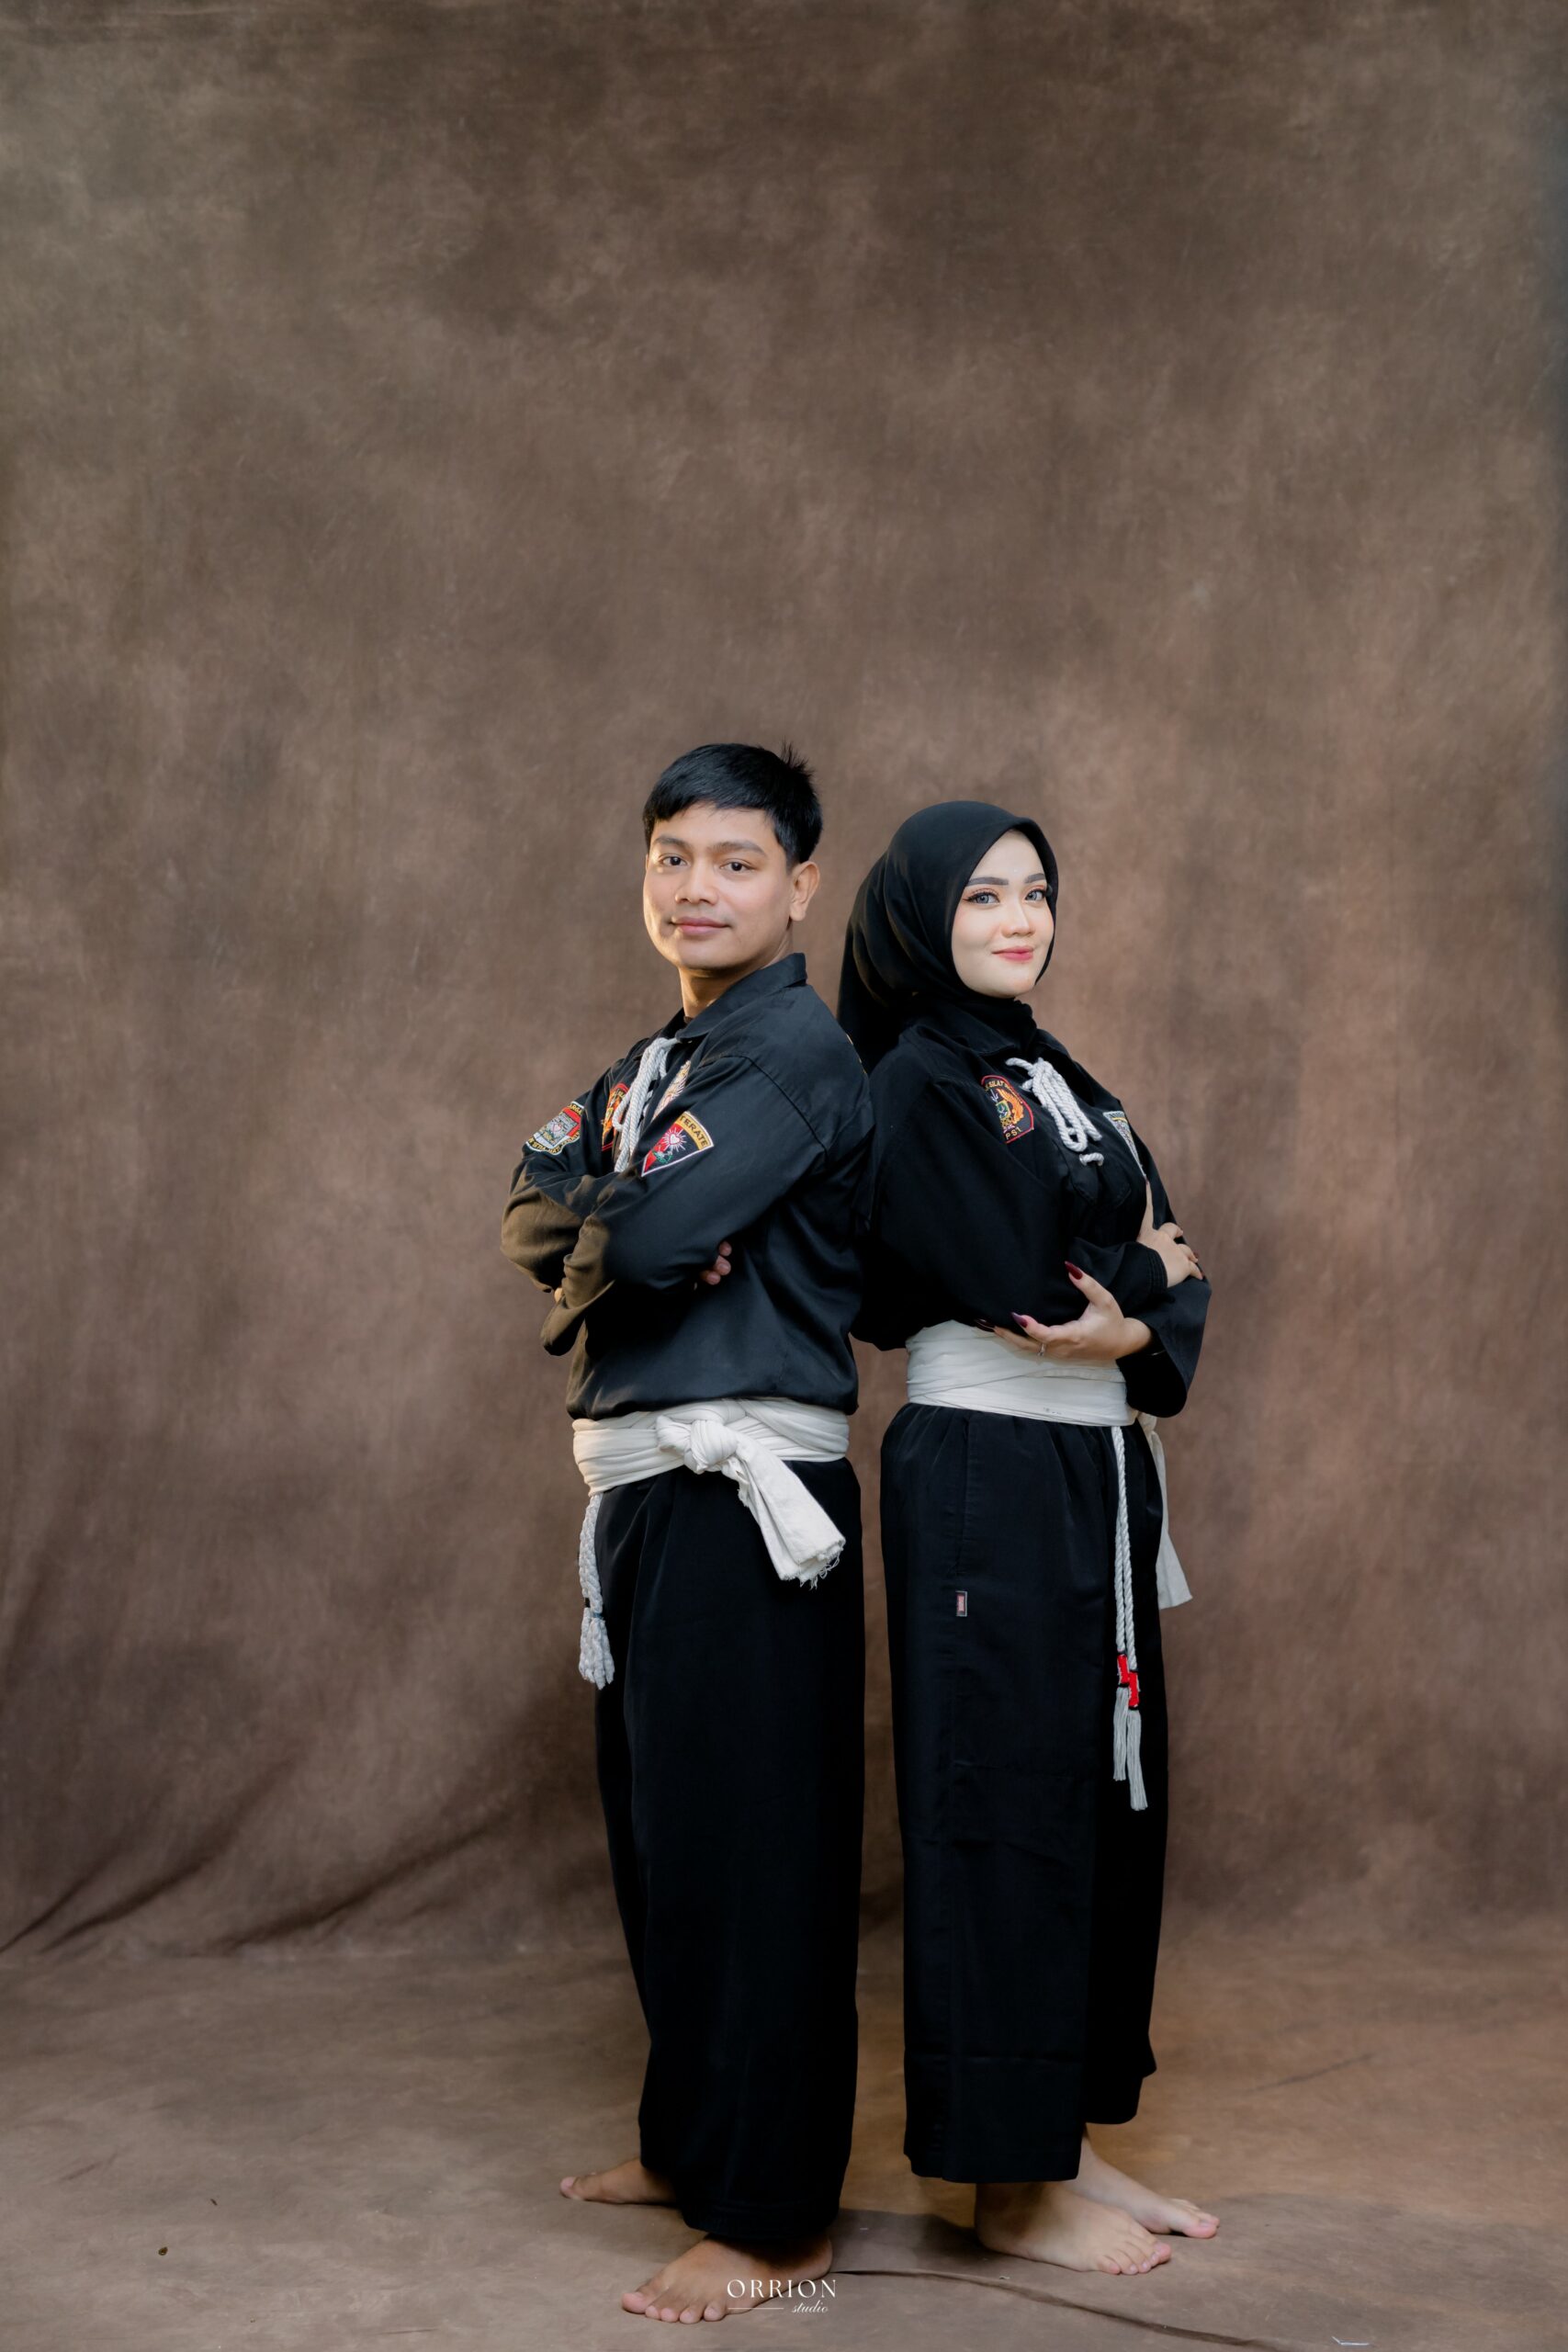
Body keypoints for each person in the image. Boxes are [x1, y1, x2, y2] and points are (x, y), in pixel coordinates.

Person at [501, 742, 871, 2324]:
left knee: (756, 1858)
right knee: (667, 1843)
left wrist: (618, 1239)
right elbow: (529, 1202)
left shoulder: (791, 1051)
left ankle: (775, 2218)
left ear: (800, 886)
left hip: (747, 1498)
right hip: (645, 1487)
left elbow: (633, 1227)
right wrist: (628, 1237)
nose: (696, 888)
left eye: (735, 861)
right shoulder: (657, 1065)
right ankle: (689, 2142)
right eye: (672, 857)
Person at [838, 799, 1217, 2279]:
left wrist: (1138, 1305)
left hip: (1095, 1468)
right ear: (918, 913)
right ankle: (1002, 2185)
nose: (1020, 918)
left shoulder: (1057, 1074)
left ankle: (1063, 2129)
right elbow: (1027, 1281)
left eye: (1038, 892)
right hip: (988, 1469)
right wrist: (1136, 1285)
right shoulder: (917, 1079)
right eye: (984, 894)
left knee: (1103, 1803)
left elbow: (1173, 1261)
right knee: (1000, 1808)